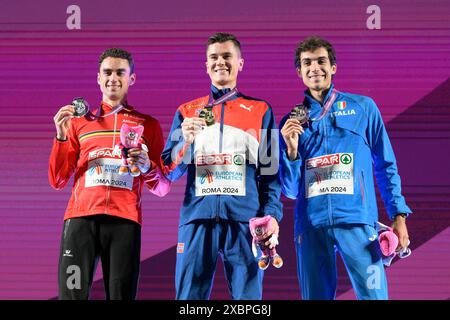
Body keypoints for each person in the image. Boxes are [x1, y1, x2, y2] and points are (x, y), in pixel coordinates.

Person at [279, 36, 412, 300]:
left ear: (333, 67)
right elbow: (291, 191)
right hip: (311, 227)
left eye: (321, 61)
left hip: (358, 224)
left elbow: (386, 165)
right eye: (307, 63)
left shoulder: (363, 108)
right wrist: (292, 151)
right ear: (299, 72)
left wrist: (399, 216)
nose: (314, 67)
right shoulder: (290, 122)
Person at [161, 32, 282, 300]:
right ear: (206, 65)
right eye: (213, 57)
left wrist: (271, 215)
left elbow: (272, 175)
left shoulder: (262, 109)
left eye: (227, 56)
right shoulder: (186, 111)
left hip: (245, 223)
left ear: (240, 63)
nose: (220, 62)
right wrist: (186, 141)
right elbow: (169, 170)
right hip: (196, 221)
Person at [49, 48, 170, 300]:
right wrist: (61, 136)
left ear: (131, 79)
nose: (113, 78)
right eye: (107, 72)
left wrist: (148, 167)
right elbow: (58, 180)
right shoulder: (79, 123)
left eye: (120, 72)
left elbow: (162, 188)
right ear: (98, 78)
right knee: (71, 296)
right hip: (81, 221)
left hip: (124, 222)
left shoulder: (148, 125)